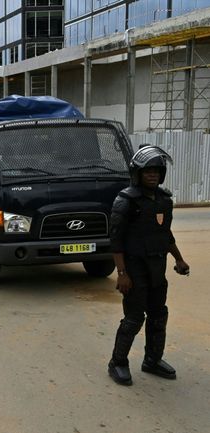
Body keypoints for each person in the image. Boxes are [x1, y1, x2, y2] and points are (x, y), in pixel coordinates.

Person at [107, 145, 190, 386]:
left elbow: (165, 234)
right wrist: (121, 273)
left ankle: (152, 360)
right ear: (138, 173)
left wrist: (178, 258)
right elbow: (116, 240)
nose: (153, 175)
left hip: (157, 267)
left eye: (156, 171)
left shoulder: (164, 200)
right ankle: (118, 362)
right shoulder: (126, 200)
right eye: (148, 171)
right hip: (134, 268)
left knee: (158, 315)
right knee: (133, 318)